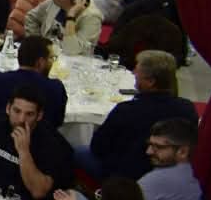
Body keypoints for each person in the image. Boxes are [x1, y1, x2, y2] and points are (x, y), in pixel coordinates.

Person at [84, 50, 199, 182]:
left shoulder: (126, 110)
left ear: (150, 81)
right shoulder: (187, 108)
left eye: (137, 71)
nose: (133, 73)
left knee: (77, 150)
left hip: (124, 179)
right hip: (172, 175)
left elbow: (97, 148)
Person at [139, 117, 203, 200]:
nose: (148, 151)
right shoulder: (188, 174)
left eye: (158, 147)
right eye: (150, 145)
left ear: (182, 152)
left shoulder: (159, 179)